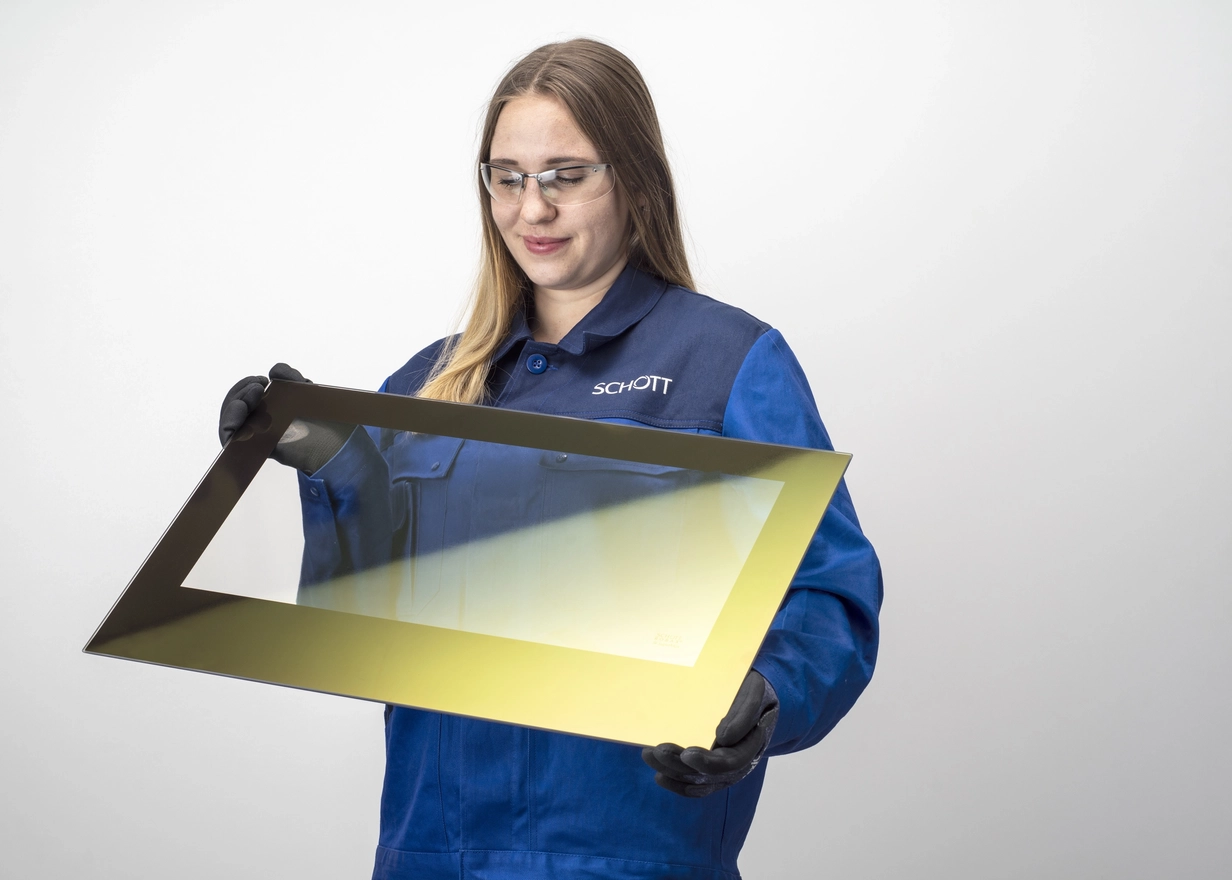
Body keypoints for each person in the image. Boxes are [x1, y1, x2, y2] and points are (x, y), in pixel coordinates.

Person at [219, 38, 882, 880]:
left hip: (632, 852)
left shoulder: (728, 362)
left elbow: (828, 592)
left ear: (634, 180)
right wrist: (317, 448)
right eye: (508, 176)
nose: (532, 209)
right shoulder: (428, 382)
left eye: (566, 175)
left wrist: (772, 690)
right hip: (432, 853)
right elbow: (368, 619)